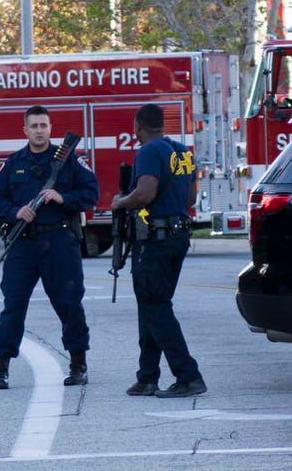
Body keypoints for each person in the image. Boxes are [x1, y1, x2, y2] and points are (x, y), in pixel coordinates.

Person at [0, 105, 99, 390]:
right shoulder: (14, 163)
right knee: (13, 305)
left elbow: (91, 194)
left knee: (68, 304)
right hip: (22, 243)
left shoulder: (68, 160)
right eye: (34, 126)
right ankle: (0, 366)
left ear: (51, 128)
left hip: (59, 241)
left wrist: (62, 197)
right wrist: (17, 212)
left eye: (44, 125)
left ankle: (78, 364)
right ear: (24, 130)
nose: (39, 130)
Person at [111, 103, 206, 398]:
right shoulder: (182, 152)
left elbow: (145, 193)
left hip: (156, 240)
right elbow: (190, 196)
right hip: (177, 235)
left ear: (139, 125)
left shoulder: (149, 152)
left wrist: (121, 201)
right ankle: (147, 376)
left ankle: (188, 375)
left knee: (155, 305)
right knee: (152, 304)